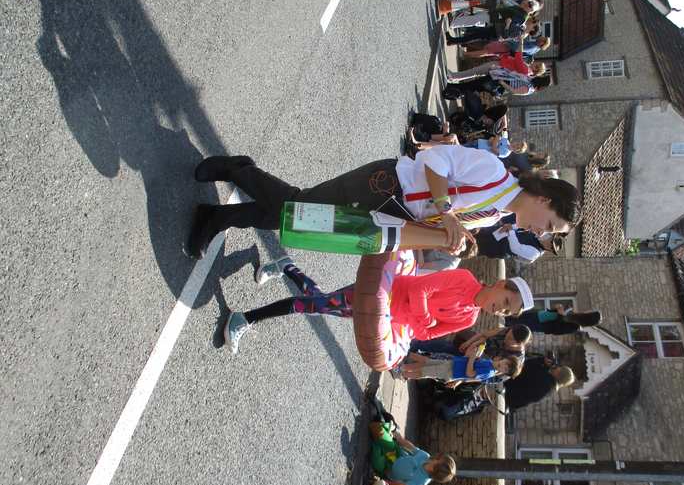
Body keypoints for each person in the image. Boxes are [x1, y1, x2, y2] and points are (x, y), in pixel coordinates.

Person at [186, 146, 582, 260]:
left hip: (390, 215)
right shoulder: (493, 172)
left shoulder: (494, 216)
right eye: (549, 224)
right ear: (544, 199)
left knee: (300, 218)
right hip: (385, 182)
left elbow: (432, 223)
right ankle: (237, 173)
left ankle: (219, 215)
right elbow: (433, 160)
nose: (540, 233)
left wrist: (447, 241)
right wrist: (447, 213)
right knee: (302, 207)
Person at [222, 258, 536, 353]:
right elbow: (419, 287)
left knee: (320, 301)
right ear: (500, 284)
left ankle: (286, 266)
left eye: (507, 312)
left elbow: (424, 336)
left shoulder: (468, 320)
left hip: (381, 318)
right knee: (315, 305)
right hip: (380, 292)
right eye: (506, 302)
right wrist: (423, 316)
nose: (501, 310)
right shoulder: (464, 278)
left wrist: (420, 318)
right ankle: (245, 318)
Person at [369, 421, 456, 485]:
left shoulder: (421, 481)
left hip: (386, 468)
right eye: (438, 458)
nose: (436, 458)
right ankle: (390, 429)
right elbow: (410, 447)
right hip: (395, 453)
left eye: (438, 461)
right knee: (376, 429)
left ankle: (378, 444)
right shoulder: (426, 456)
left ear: (435, 470)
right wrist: (399, 437)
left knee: (377, 461)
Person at [400, 348, 522, 383]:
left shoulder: (489, 371)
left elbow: (470, 373)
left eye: (506, 369)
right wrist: (473, 356)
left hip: (451, 371)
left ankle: (402, 371)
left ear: (504, 373)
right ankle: (403, 358)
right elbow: (472, 363)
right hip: (453, 364)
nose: (503, 367)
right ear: (505, 359)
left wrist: (472, 358)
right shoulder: (489, 363)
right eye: (506, 364)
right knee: (426, 362)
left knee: (424, 372)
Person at [503, 356, 574, 411]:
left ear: (559, 373)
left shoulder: (545, 380)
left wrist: (542, 361)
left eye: (560, 368)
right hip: (511, 399)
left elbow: (525, 366)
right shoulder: (550, 388)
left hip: (508, 389)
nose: (557, 367)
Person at [510, 306, 601, 335]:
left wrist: (560, 315)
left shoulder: (575, 327)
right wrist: (557, 308)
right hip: (540, 315)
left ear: (589, 316)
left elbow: (557, 330)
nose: (589, 310)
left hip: (541, 324)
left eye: (591, 311)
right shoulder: (575, 314)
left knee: (514, 324)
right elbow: (557, 313)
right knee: (513, 316)